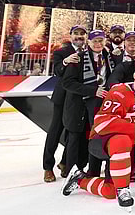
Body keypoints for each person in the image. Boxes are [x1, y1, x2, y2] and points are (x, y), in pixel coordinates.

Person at [61, 63, 135, 212]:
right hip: (102, 140)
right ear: (134, 75)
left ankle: (79, 179)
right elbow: (102, 121)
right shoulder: (119, 91)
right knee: (122, 140)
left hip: (124, 146)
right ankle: (124, 190)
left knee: (110, 191)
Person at [61, 29, 114, 178]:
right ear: (88, 42)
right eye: (94, 41)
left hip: (99, 106)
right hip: (79, 106)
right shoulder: (78, 58)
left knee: (96, 137)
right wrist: (92, 91)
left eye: (100, 40)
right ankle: (71, 172)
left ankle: (93, 170)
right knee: (75, 140)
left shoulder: (109, 57)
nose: (98, 44)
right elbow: (67, 83)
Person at [43, 24, 85, 182]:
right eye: (76, 33)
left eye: (82, 34)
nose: (79, 36)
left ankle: (65, 163)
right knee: (55, 131)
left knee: (74, 132)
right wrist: (65, 62)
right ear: (71, 35)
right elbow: (57, 71)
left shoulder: (87, 52)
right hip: (62, 98)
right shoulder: (61, 52)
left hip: (78, 98)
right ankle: (48, 167)